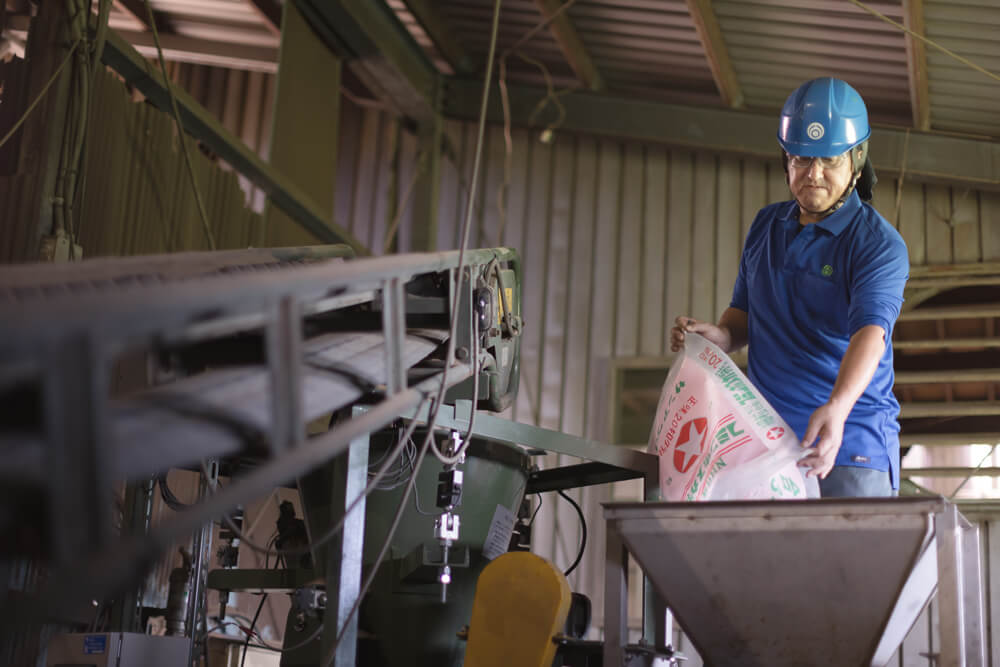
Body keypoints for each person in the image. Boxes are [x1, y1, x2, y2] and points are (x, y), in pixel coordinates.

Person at [670, 77, 908, 497]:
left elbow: (871, 334)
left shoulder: (876, 244)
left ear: (856, 159)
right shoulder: (767, 226)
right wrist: (721, 337)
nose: (813, 174)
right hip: (765, 445)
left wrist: (837, 408)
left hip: (849, 443)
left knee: (848, 563)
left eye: (829, 160)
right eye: (801, 159)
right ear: (786, 160)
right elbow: (743, 314)